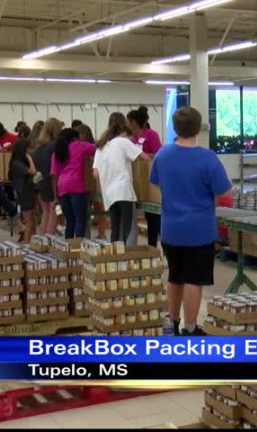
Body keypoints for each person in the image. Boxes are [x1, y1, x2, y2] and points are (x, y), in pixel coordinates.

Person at [150, 106, 232, 336]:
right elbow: (225, 193)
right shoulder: (207, 158)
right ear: (198, 128)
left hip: (170, 228)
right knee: (193, 280)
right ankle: (191, 327)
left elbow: (155, 183)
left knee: (175, 277)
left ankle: (172, 324)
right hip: (199, 229)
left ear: (174, 128)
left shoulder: (163, 154)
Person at [93, 113, 150, 244]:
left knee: (116, 230)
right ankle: (129, 259)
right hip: (124, 192)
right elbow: (145, 158)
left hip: (110, 194)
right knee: (129, 230)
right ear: (124, 129)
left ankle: (115, 259)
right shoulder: (123, 142)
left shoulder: (101, 147)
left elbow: (95, 173)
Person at [128, 106, 163, 247]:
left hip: (150, 182)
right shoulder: (131, 138)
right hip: (136, 182)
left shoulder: (151, 135)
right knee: (148, 218)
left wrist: (145, 156)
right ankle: (151, 248)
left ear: (134, 122)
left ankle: (159, 249)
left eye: (128, 121)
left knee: (154, 218)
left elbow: (159, 155)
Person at [51, 128, 96, 239]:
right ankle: (78, 246)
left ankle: (69, 247)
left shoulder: (57, 152)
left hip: (62, 187)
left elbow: (54, 175)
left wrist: (55, 197)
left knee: (70, 221)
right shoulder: (78, 145)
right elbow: (96, 148)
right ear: (75, 137)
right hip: (76, 185)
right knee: (80, 219)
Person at [75, 124, 108, 240]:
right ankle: (89, 233)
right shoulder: (82, 147)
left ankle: (101, 232)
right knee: (86, 209)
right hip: (83, 183)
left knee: (98, 207)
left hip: (93, 182)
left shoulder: (93, 148)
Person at [33, 118, 63, 235]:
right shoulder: (54, 146)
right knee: (55, 212)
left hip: (41, 184)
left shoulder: (38, 148)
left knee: (45, 212)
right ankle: (49, 240)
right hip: (53, 185)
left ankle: (43, 239)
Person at [8, 138, 38, 243]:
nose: (31, 150)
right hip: (24, 193)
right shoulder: (17, 163)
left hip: (28, 192)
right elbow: (33, 172)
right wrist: (30, 158)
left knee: (32, 221)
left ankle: (32, 242)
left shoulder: (18, 163)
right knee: (29, 222)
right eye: (29, 148)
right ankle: (27, 245)